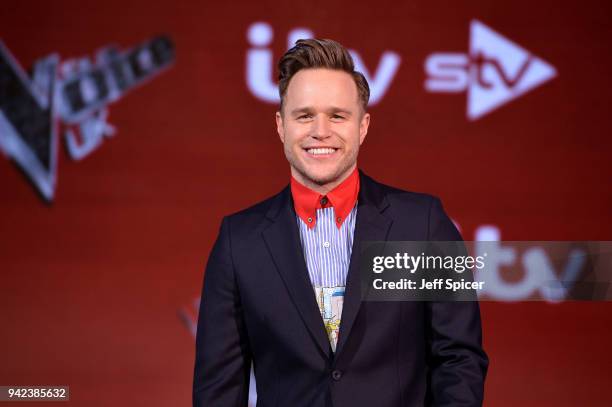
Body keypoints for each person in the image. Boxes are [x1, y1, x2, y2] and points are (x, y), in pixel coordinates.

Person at [193, 38, 488, 407]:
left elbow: (459, 360)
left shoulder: (423, 224)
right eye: (304, 116)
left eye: (337, 115)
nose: (321, 131)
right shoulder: (240, 242)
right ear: (281, 126)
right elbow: (218, 389)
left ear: (362, 126)